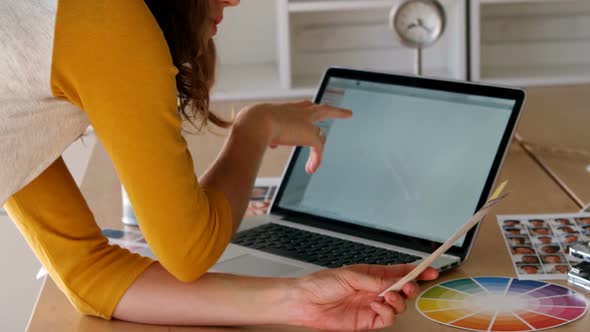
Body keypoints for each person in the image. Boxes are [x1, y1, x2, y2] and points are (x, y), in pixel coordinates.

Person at [0, 0, 438, 330]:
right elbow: (189, 251)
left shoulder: (37, 35)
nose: (234, 0)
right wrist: (255, 128)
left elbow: (88, 274)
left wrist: (299, 299)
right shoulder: (105, 18)